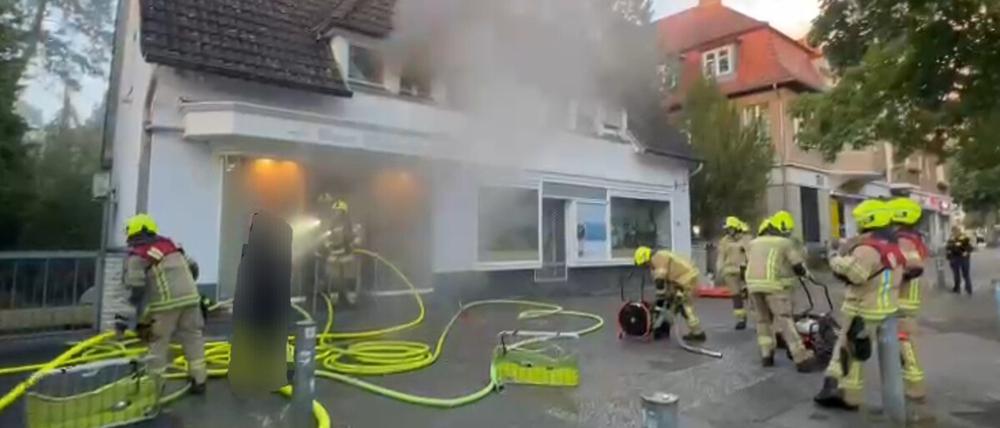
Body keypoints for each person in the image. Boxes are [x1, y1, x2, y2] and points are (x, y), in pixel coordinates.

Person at [815, 200, 905, 410]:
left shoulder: (867, 249)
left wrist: (834, 259)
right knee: (857, 351)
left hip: (862, 308)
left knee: (848, 350)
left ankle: (841, 392)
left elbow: (856, 275)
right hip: (886, 308)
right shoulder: (892, 246)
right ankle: (847, 393)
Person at [123, 214, 207, 394]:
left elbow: (135, 287)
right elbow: (193, 268)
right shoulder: (172, 245)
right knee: (193, 338)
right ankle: (199, 380)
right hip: (192, 299)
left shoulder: (138, 254)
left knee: (158, 342)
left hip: (166, 304)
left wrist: (131, 315)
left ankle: (154, 387)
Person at [745, 211, 822, 372]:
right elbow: (797, 265)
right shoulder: (784, 243)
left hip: (752, 285)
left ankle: (766, 354)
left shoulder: (753, 243)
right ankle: (801, 358)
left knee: (762, 321)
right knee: (785, 320)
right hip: (774, 286)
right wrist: (807, 275)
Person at [888, 197, 934, 421]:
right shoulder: (912, 237)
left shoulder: (903, 240)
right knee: (903, 342)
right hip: (909, 299)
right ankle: (912, 384)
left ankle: (915, 388)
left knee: (904, 342)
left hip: (903, 300)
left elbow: (914, 267)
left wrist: (895, 281)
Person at [634, 246, 706, 342]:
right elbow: (665, 280)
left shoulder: (657, 259)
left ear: (645, 258)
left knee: (684, 306)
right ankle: (663, 330)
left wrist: (660, 297)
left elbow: (660, 280)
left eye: (644, 264)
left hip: (685, 280)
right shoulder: (659, 257)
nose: (645, 266)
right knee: (671, 306)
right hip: (680, 280)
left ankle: (698, 334)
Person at [315, 194, 364, 306]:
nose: (336, 213)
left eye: (339, 211)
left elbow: (358, 237)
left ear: (344, 213)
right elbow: (325, 238)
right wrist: (326, 247)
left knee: (349, 277)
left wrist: (354, 243)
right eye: (335, 211)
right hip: (333, 256)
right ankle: (334, 299)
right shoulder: (330, 225)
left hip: (347, 255)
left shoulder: (351, 225)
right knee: (334, 278)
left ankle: (351, 299)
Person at [717, 216, 751, 330]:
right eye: (727, 229)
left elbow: (751, 254)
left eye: (730, 228)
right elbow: (721, 257)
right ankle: (741, 319)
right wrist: (719, 270)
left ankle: (760, 320)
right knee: (736, 296)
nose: (728, 231)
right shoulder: (724, 241)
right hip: (730, 272)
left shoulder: (746, 239)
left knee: (753, 296)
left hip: (745, 270)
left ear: (736, 228)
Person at [945, 225, 974, 294]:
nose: (955, 233)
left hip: (964, 259)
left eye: (956, 231)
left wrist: (966, 252)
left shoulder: (964, 238)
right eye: (953, 231)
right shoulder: (951, 239)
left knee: (966, 274)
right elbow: (948, 249)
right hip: (955, 259)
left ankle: (968, 288)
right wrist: (949, 257)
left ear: (959, 231)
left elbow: (970, 247)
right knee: (956, 274)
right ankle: (957, 288)